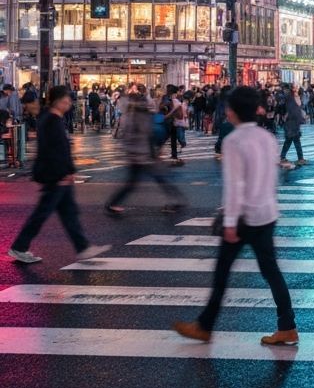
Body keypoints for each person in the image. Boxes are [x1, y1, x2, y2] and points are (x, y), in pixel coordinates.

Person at [172, 86, 298, 346]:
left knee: (222, 272)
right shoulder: (267, 137)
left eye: (229, 106)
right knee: (271, 271)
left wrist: (230, 222)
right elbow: (271, 176)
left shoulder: (234, 140)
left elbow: (235, 186)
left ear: (235, 111)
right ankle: (287, 326)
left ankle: (204, 326)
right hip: (266, 214)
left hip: (243, 218)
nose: (226, 111)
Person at [7, 86, 109, 265]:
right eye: (65, 101)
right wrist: (65, 172)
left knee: (68, 213)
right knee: (43, 213)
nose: (68, 104)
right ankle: (19, 246)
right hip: (56, 175)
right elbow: (55, 150)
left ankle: (82, 247)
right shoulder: (52, 121)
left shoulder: (51, 118)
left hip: (58, 174)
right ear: (57, 101)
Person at [105, 89, 183, 215]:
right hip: (143, 154)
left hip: (137, 154)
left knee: (137, 182)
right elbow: (148, 134)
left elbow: (125, 135)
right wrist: (155, 150)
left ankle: (112, 203)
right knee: (157, 179)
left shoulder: (129, 114)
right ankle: (176, 201)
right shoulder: (142, 114)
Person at [280, 85, 307, 167]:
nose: (296, 89)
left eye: (297, 88)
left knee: (291, 140)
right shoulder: (290, 98)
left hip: (295, 122)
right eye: (295, 88)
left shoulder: (297, 97)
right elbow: (289, 109)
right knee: (293, 140)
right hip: (291, 122)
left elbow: (298, 109)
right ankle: (300, 158)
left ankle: (283, 157)